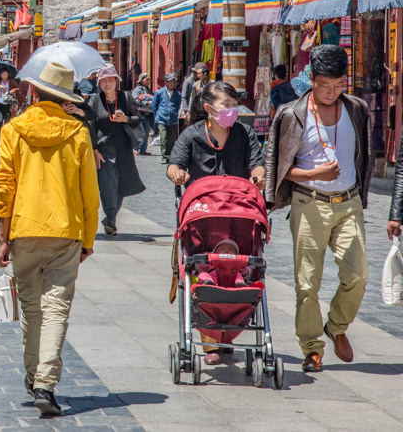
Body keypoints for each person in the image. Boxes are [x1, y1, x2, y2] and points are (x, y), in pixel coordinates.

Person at [0, 61, 98, 417]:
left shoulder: (14, 129)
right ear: (65, 98)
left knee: (32, 309)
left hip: (24, 228)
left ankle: (32, 374)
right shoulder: (78, 132)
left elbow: (5, 185)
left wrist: (3, 236)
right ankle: (45, 382)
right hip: (66, 229)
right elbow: (90, 190)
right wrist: (88, 235)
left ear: (34, 93)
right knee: (56, 309)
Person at [264, 45, 370, 374]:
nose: (332, 92)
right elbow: (277, 166)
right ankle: (311, 347)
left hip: (349, 202)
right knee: (307, 283)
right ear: (311, 79)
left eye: (339, 85)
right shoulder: (291, 114)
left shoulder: (357, 109)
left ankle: (336, 326)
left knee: (358, 275)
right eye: (325, 85)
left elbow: (363, 156)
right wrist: (312, 174)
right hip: (309, 203)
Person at [167, 81, 265, 363]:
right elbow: (174, 164)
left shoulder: (244, 134)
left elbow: (257, 163)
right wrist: (177, 174)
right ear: (208, 108)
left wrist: (257, 176)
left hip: (238, 213)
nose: (232, 111)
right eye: (226, 105)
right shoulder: (192, 136)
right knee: (202, 267)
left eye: (235, 105)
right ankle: (210, 337)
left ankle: (229, 329)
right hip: (204, 215)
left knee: (241, 268)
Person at [88, 64, 145, 236]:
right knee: (107, 185)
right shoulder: (95, 100)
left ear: (116, 81)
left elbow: (137, 119)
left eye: (110, 80)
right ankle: (111, 218)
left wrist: (125, 119)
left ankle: (111, 217)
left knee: (120, 185)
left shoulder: (126, 97)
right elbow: (90, 127)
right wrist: (95, 150)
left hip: (124, 149)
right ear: (99, 83)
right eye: (103, 80)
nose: (107, 83)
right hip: (104, 149)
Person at [152, 73, 182, 164]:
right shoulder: (159, 93)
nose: (173, 83)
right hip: (162, 119)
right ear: (166, 82)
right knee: (164, 138)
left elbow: (178, 106)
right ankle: (165, 156)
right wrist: (157, 116)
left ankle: (170, 156)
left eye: (174, 81)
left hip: (173, 120)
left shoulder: (178, 94)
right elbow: (154, 106)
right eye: (171, 81)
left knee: (172, 140)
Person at [131, 72, 155, 156]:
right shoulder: (137, 90)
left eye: (149, 80)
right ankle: (135, 149)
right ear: (141, 80)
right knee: (139, 133)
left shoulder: (148, 90)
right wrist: (146, 103)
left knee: (146, 132)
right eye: (146, 79)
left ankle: (143, 150)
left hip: (147, 114)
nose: (148, 81)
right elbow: (135, 101)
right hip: (139, 114)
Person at [0, 69, 19, 135]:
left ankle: (5, 136)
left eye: (6, 75)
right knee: (0, 121)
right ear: (1, 75)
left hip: (8, 104)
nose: (5, 76)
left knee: (7, 122)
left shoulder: (11, 81)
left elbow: (18, 88)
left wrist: (13, 90)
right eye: (3, 75)